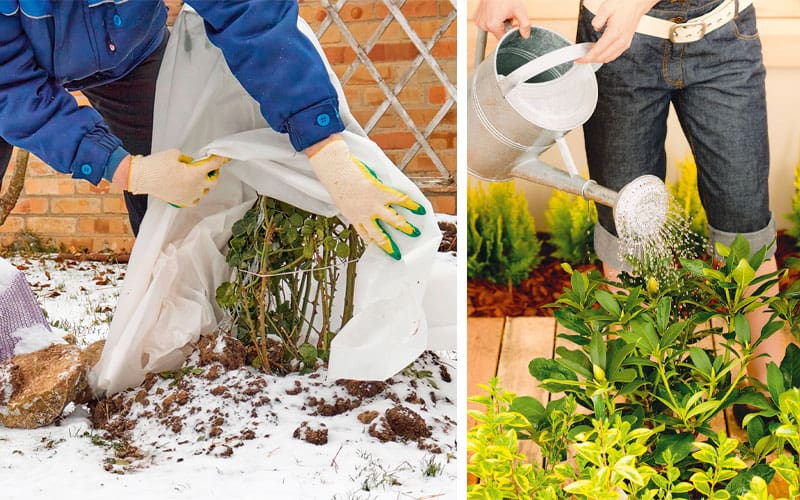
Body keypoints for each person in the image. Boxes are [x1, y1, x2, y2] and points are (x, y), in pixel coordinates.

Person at [473, 0, 794, 385]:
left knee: (745, 225)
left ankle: (771, 396)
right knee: (626, 230)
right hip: (614, 46)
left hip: (723, 35)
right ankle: (641, 395)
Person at [0, 0, 422, 258]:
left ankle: (162, 307)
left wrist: (324, 146)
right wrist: (128, 170)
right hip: (9, 74)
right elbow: (12, 88)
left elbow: (249, 14)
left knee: (167, 198)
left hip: (129, 57)